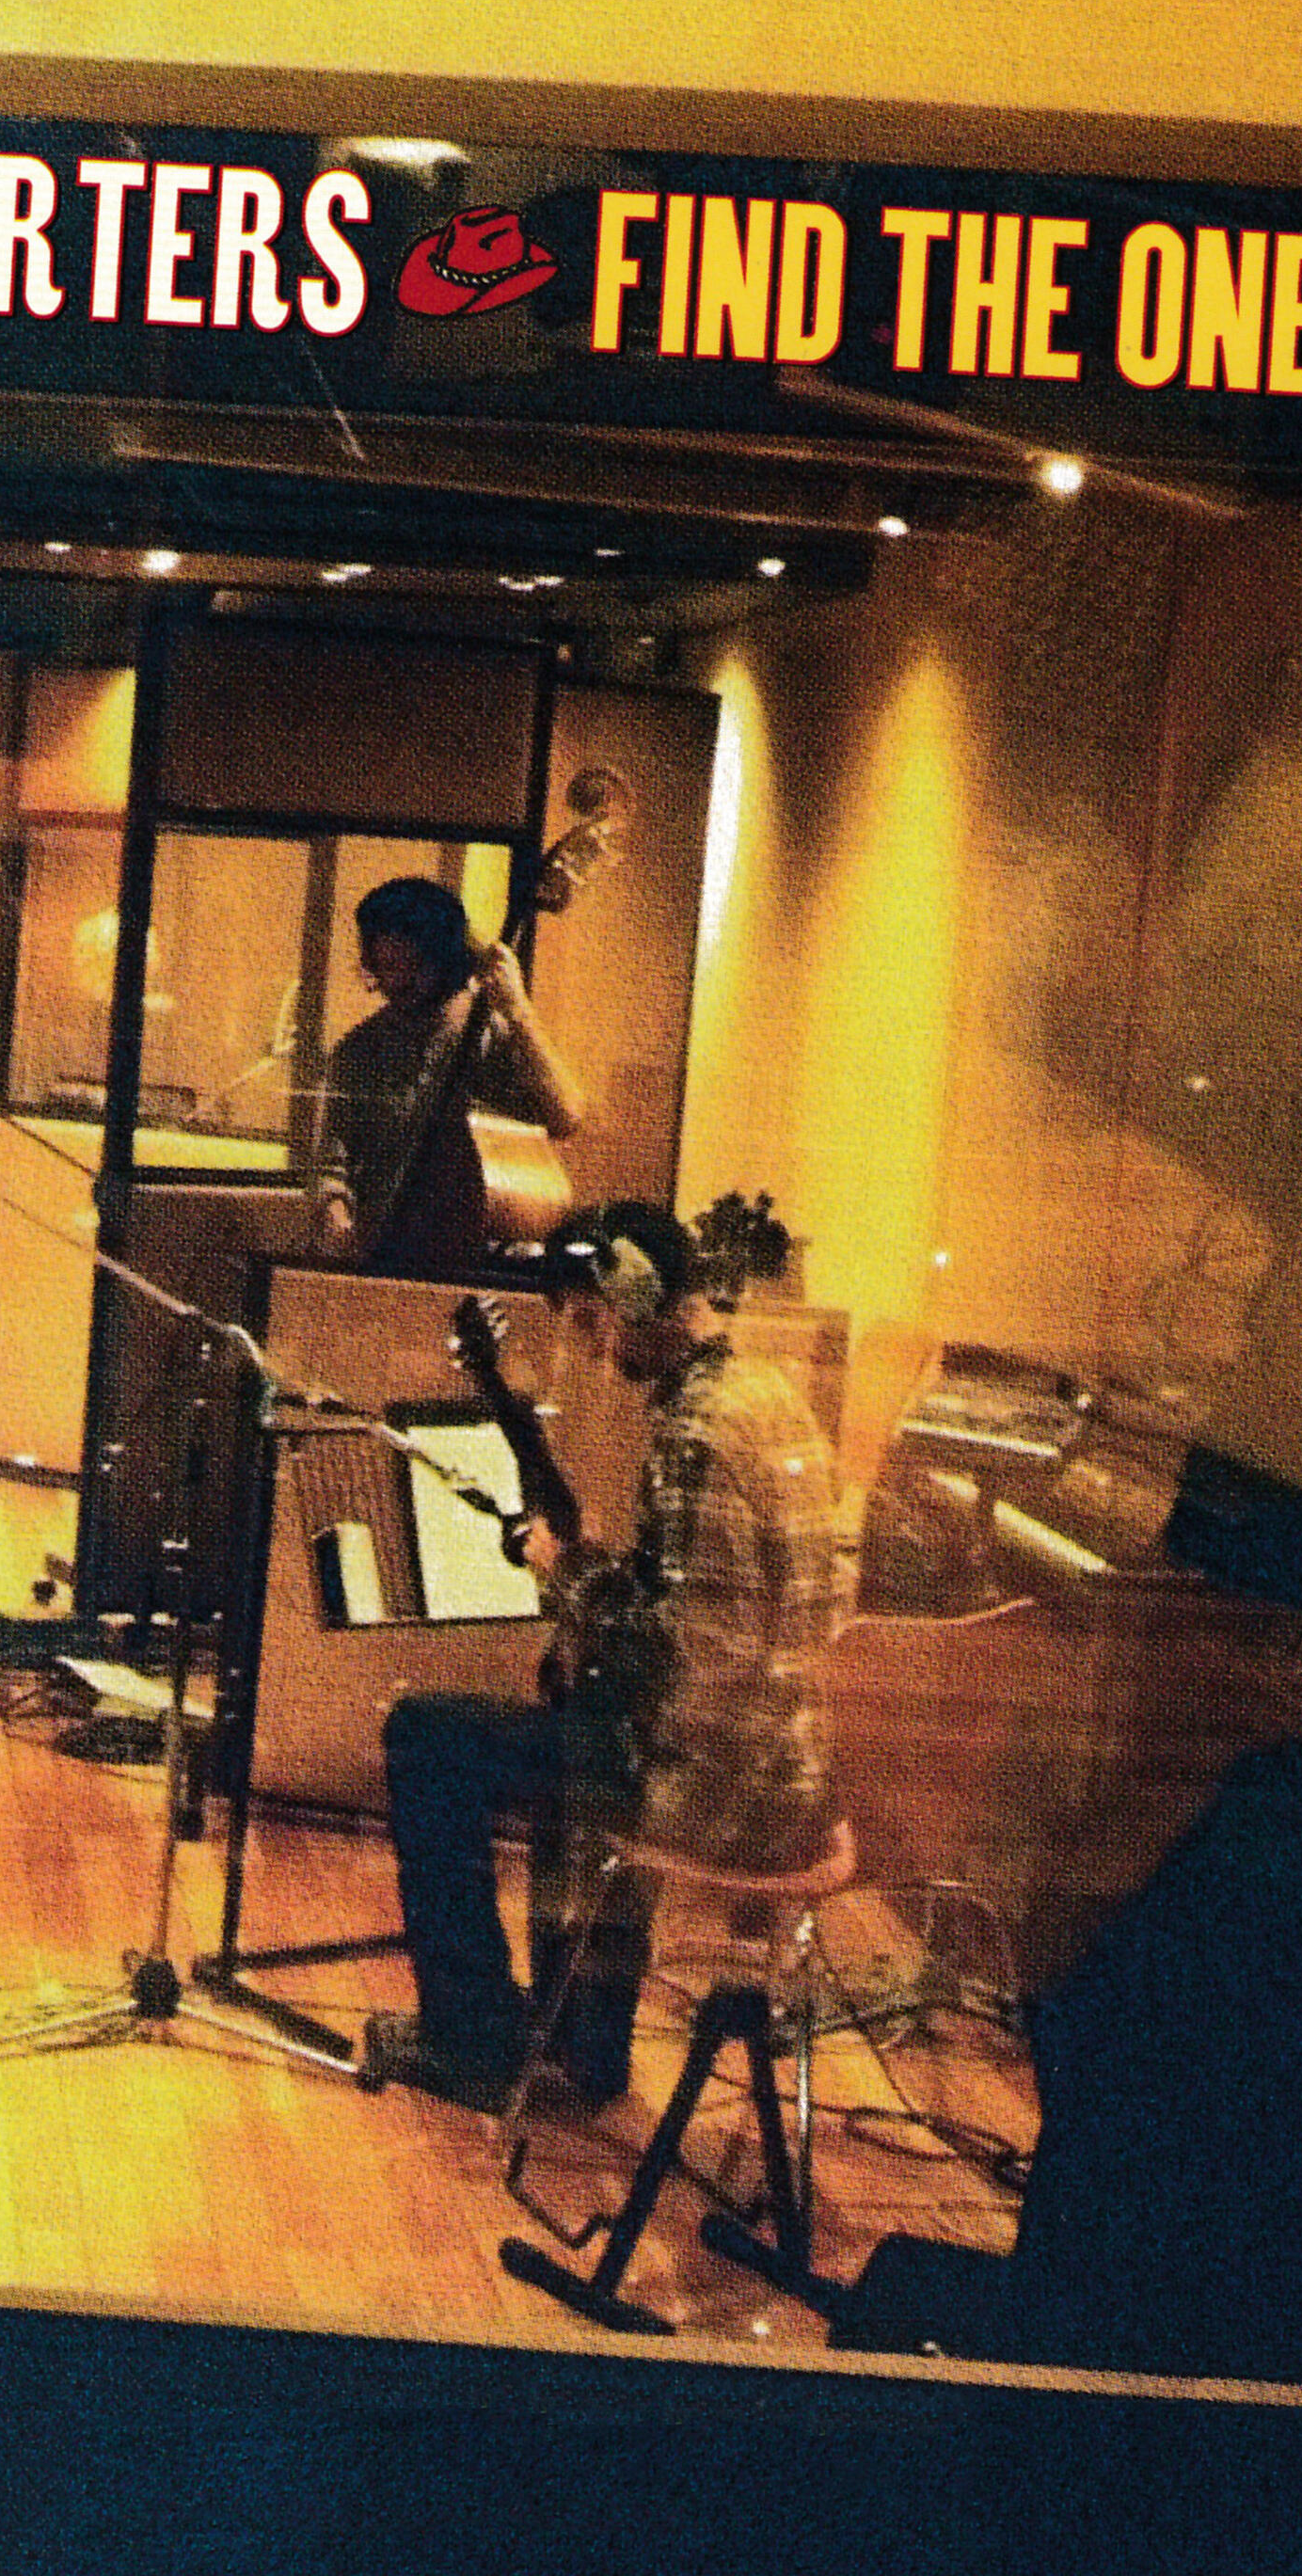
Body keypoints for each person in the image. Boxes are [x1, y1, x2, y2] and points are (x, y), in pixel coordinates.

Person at [362, 1199, 845, 2114]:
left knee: (428, 1737)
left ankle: (472, 2043)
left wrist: (566, 1568)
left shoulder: (695, 1431)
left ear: (636, 1298)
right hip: (788, 1773)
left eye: (589, 1321)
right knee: (573, 1714)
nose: (590, 1348)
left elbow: (682, 1654)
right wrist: (608, 1581)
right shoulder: (767, 1395)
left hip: (715, 1789)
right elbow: (721, 1605)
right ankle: (585, 2041)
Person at [311, 876, 585, 1278]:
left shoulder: (491, 1032)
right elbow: (332, 1170)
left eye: (413, 969)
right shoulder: (359, 1051)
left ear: (444, 958)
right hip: (388, 1259)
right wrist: (337, 1218)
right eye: (387, 969)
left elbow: (566, 1115)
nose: (396, 985)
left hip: (481, 1266)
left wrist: (519, 1011)